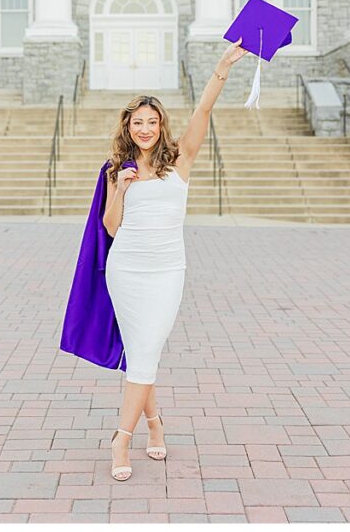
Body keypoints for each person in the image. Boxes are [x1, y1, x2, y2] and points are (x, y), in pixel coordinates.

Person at [104, 41, 247, 481]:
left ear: (161, 124)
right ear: (127, 128)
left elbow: (202, 112)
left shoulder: (180, 159)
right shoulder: (117, 169)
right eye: (137, 123)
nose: (145, 129)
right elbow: (111, 228)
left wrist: (221, 68)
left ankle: (121, 438)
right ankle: (149, 426)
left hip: (166, 271)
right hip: (125, 269)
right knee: (141, 354)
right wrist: (122, 188)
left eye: (152, 121)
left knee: (147, 349)